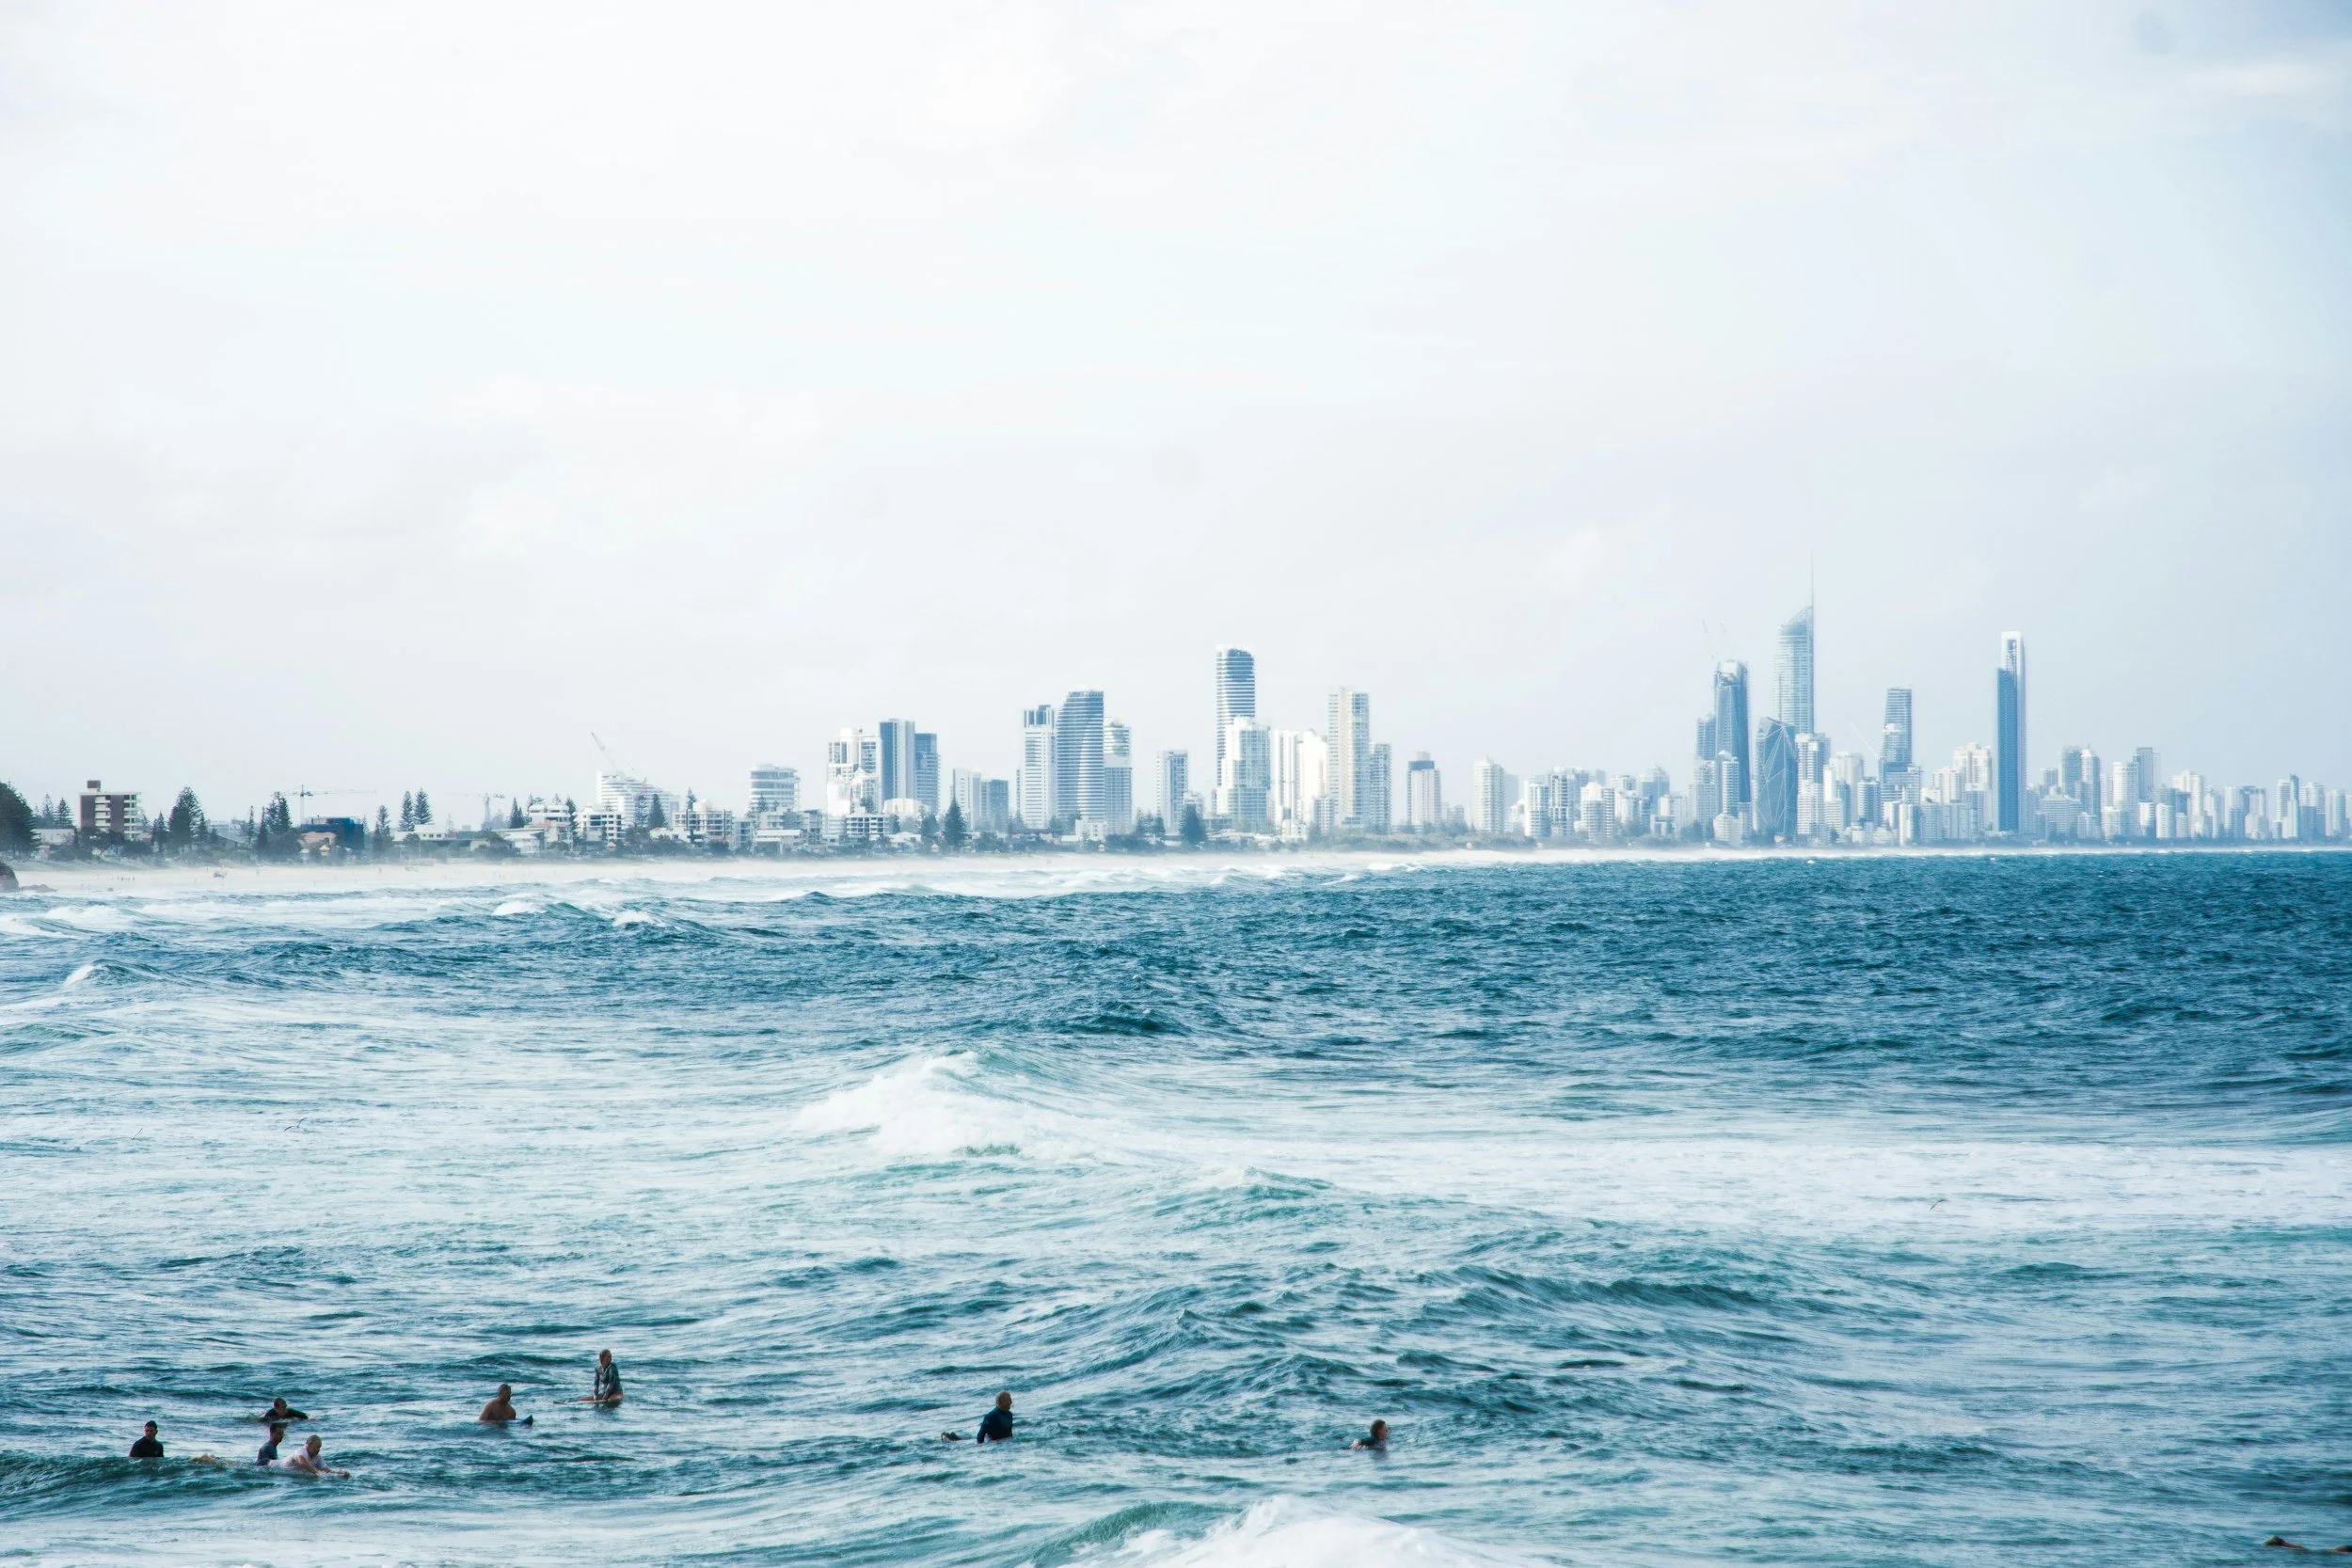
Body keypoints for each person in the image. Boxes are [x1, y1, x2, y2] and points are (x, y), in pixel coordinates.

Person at [943, 1391, 1014, 1443]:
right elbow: (980, 1437)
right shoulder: (991, 1416)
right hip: (992, 1443)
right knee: (957, 1442)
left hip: (1003, 1442)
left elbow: (1009, 1433)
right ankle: (950, 1438)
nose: (1011, 1402)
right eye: (1009, 1400)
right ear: (1001, 1401)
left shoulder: (1009, 1415)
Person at [283, 1433, 347, 1477]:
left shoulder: (317, 1457)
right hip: (277, 1467)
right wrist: (316, 1472)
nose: (318, 1450)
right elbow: (302, 1462)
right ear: (309, 1445)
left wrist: (339, 1474)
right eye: (317, 1447)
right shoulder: (301, 1451)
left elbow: (326, 1470)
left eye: (319, 1447)